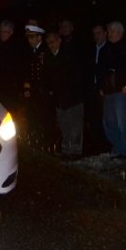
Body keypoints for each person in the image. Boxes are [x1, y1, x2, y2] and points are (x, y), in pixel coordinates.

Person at [44, 31, 84, 159]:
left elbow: (76, 75)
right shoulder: (49, 57)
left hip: (73, 96)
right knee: (64, 124)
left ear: (59, 40)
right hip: (59, 97)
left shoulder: (69, 54)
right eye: (48, 43)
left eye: (53, 42)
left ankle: (76, 150)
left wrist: (73, 92)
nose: (51, 45)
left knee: (75, 125)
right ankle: (67, 149)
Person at [100, 21, 126, 160]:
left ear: (119, 32)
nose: (109, 34)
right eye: (108, 31)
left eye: (111, 31)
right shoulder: (106, 48)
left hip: (122, 90)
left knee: (122, 120)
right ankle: (117, 146)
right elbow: (102, 70)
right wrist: (102, 87)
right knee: (108, 121)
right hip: (109, 90)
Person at [22, 24, 53, 150]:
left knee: (45, 117)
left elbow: (48, 73)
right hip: (34, 92)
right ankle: (36, 139)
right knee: (33, 116)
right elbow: (27, 72)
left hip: (44, 92)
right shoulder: (31, 52)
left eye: (32, 37)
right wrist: (27, 88)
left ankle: (47, 142)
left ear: (39, 38)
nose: (30, 40)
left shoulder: (45, 52)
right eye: (28, 37)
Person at [0, 20, 24, 112]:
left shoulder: (15, 47)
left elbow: (17, 68)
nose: (2, 34)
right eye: (1, 31)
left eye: (4, 32)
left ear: (11, 32)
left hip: (9, 88)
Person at [84, 23, 109, 153]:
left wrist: (104, 87)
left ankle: (106, 144)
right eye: (94, 34)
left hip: (104, 89)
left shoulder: (109, 49)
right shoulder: (91, 50)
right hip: (92, 89)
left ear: (105, 33)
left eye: (98, 33)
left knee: (105, 117)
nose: (96, 36)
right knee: (94, 117)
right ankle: (96, 145)